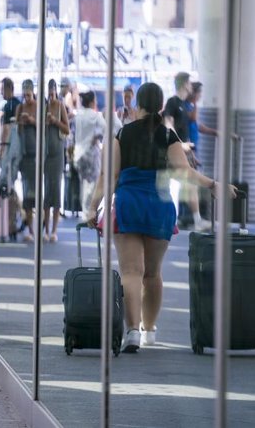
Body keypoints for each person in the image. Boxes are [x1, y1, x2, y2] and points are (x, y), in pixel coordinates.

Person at [85, 82, 236, 353]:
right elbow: (185, 172)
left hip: (129, 202)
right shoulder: (169, 136)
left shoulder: (120, 135)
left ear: (137, 105)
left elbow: (109, 176)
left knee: (131, 271)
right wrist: (214, 185)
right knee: (152, 274)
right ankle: (149, 329)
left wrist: (92, 208)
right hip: (159, 205)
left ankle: (132, 331)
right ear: (161, 107)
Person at [164, 72, 210, 231]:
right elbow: (168, 126)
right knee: (176, 185)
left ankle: (194, 220)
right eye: (189, 83)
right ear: (184, 84)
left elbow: (186, 132)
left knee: (190, 185)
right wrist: (179, 145)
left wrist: (190, 153)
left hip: (184, 152)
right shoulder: (172, 102)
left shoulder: (184, 105)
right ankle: (176, 219)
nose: (191, 86)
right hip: (173, 151)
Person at [43, 79, 70, 242]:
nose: (51, 96)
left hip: (58, 152)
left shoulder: (60, 107)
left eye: (53, 93)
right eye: (49, 94)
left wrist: (55, 121)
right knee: (46, 191)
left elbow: (66, 129)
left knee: (56, 190)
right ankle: (46, 230)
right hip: (46, 152)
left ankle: (54, 230)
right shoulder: (44, 107)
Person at [74, 90, 107, 216]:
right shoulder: (95, 116)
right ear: (92, 102)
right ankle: (89, 211)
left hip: (78, 154)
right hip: (91, 154)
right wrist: (97, 137)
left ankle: (85, 210)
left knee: (84, 183)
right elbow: (105, 130)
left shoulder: (78, 116)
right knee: (93, 183)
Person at [15, 79, 37, 242]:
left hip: (36, 155)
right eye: (24, 96)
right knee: (27, 193)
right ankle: (30, 229)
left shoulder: (38, 107)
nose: (27, 99)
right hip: (24, 155)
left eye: (29, 95)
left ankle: (41, 227)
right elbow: (17, 129)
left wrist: (32, 121)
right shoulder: (20, 108)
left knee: (36, 193)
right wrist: (21, 121)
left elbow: (44, 127)